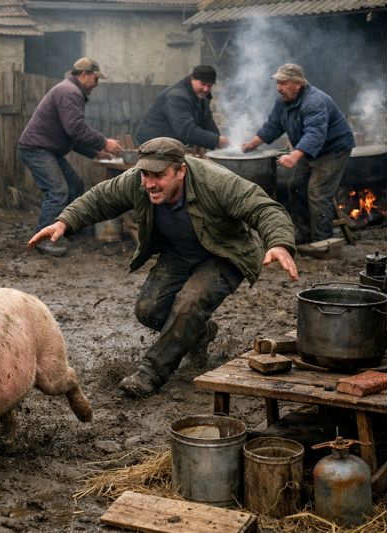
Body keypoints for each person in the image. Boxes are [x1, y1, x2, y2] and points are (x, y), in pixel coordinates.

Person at [28, 137, 298, 398]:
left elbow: (264, 208)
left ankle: (150, 374)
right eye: (145, 174)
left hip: (225, 254)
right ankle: (200, 332)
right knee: (148, 310)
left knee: (190, 303)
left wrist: (279, 243)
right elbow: (101, 198)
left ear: (181, 171)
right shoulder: (137, 182)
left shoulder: (216, 182)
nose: (149, 183)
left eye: (158, 175)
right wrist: (65, 221)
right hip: (179, 252)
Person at [18, 57, 123, 257]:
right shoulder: (69, 92)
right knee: (58, 190)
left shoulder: (69, 90)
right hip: (37, 148)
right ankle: (44, 239)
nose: (96, 84)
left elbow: (70, 136)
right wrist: (104, 142)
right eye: (95, 78)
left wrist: (95, 151)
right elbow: (75, 129)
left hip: (47, 149)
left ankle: (66, 228)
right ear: (83, 75)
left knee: (75, 186)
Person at [242, 63, 355, 247]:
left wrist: (294, 156)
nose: (279, 88)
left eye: (283, 83)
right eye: (278, 83)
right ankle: (304, 233)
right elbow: (273, 126)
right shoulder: (283, 102)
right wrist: (251, 145)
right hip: (310, 150)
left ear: (298, 84)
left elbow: (315, 133)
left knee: (317, 191)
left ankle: (323, 241)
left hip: (333, 150)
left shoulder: (315, 101)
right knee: (295, 186)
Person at [136, 65, 228, 150]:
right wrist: (216, 140)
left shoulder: (202, 96)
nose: (206, 89)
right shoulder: (177, 96)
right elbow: (186, 130)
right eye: (203, 84)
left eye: (209, 85)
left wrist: (220, 141)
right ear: (192, 79)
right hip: (151, 144)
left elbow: (207, 121)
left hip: (170, 144)